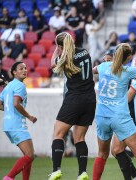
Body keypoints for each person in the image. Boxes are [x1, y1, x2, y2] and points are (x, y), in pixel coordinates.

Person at [92, 42, 136, 180]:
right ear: (128, 57)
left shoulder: (103, 66)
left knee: (102, 154)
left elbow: (90, 71)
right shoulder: (128, 71)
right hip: (120, 117)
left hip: (102, 116)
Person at [48, 32, 96, 180]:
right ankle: (82, 172)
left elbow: (52, 64)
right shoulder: (85, 52)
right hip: (90, 99)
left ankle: (56, 170)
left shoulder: (64, 58)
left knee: (58, 134)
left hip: (75, 98)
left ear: (61, 46)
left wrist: (57, 49)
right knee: (79, 137)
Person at [0, 61, 37, 180]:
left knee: (27, 156)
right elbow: (16, 103)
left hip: (8, 125)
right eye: (21, 69)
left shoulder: (8, 86)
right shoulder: (20, 85)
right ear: (14, 72)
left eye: (25, 68)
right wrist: (29, 116)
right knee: (30, 155)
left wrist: (8, 109)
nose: (25, 70)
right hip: (17, 125)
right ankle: (9, 177)